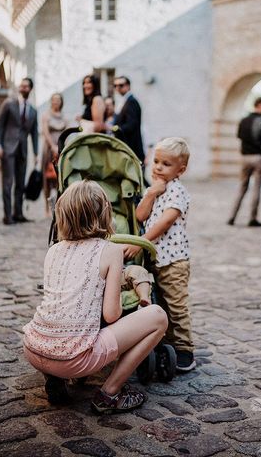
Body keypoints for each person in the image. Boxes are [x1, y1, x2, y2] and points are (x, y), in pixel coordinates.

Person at [23, 180, 167, 413]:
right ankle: (109, 394)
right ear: (104, 215)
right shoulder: (110, 251)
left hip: (34, 349)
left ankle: (54, 377)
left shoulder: (53, 250)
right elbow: (111, 315)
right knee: (158, 316)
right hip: (73, 359)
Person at [123, 138, 195, 372]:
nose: (158, 167)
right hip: (157, 260)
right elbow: (140, 216)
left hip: (174, 261)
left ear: (180, 170)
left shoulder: (177, 191)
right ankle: (166, 342)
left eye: (166, 164)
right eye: (156, 161)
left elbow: (166, 221)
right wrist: (151, 193)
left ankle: (184, 349)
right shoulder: (156, 189)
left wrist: (142, 242)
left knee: (176, 306)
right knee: (161, 303)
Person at [0, 78, 39, 225]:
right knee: (8, 182)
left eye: (26, 86)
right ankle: (8, 216)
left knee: (20, 183)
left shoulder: (33, 111)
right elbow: (0, 125)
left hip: (23, 150)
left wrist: (36, 153)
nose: (23, 88)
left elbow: (34, 133)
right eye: (21, 85)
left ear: (30, 89)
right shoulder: (8, 104)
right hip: (7, 148)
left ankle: (18, 213)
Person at [227, 97, 261, 227]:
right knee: (256, 189)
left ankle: (232, 216)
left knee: (242, 187)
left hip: (244, 158)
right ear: (260, 105)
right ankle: (252, 218)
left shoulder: (243, 121)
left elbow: (239, 136)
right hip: (258, 157)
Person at [41, 93, 67, 215]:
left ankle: (58, 205)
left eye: (58, 100)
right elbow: (45, 132)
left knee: (59, 178)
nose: (56, 102)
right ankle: (46, 207)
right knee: (46, 177)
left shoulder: (64, 117)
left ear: (61, 102)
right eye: (54, 100)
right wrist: (52, 146)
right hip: (49, 149)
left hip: (61, 149)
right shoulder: (46, 115)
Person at [111, 76, 145, 163]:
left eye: (121, 85)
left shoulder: (131, 101)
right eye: (115, 85)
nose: (117, 88)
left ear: (128, 86)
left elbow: (132, 124)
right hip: (126, 148)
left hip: (131, 148)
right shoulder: (124, 101)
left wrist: (115, 129)